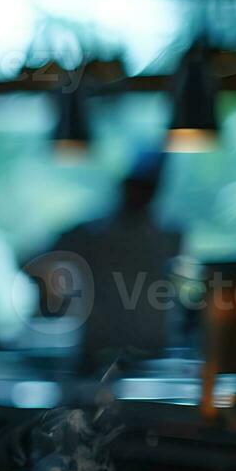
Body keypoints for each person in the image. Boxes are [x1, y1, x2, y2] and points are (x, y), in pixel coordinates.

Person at [46, 151, 182, 368]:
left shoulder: (169, 237)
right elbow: (35, 264)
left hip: (150, 353)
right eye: (136, 187)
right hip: (96, 354)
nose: (140, 195)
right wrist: (53, 297)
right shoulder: (88, 234)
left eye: (146, 189)